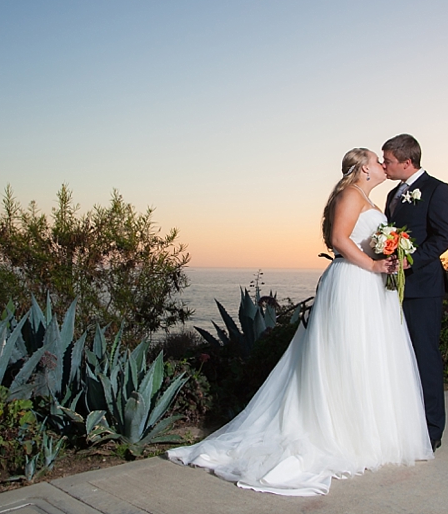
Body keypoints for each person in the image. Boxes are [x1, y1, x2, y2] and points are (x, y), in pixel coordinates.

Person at [168, 148, 433, 496]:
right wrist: (371, 265)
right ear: (365, 168)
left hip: (371, 286)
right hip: (353, 282)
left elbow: (361, 241)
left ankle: (366, 433)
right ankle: (338, 433)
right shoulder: (350, 194)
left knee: (368, 356)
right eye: (377, 160)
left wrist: (389, 258)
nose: (384, 165)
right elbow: (339, 240)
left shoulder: (365, 197)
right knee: (346, 356)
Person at [381, 134, 448, 452]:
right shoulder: (392, 194)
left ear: (407, 162)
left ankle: (431, 429)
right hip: (390, 288)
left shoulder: (438, 190)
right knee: (397, 357)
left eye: (388, 161)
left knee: (425, 357)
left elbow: (445, 237)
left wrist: (406, 262)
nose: (384, 166)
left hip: (422, 288)